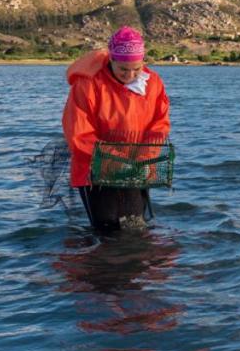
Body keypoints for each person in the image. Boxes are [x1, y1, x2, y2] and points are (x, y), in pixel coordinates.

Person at [62, 26, 171, 231]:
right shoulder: (87, 84)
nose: (130, 75)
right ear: (111, 60)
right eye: (123, 69)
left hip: (135, 167)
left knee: (136, 229)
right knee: (106, 230)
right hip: (94, 171)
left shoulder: (153, 82)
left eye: (136, 69)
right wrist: (117, 161)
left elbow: (160, 124)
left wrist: (145, 157)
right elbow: (79, 134)